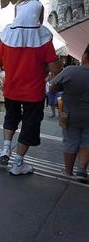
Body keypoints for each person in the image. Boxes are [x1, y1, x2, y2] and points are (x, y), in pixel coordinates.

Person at [0, 0, 62, 175]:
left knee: (10, 118)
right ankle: (18, 163)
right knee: (30, 125)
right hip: (34, 91)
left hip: (12, 87)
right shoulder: (44, 37)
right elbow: (57, 68)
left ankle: (5, 148)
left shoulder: (7, 34)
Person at [51, 44, 89, 181]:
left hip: (71, 114)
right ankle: (81, 171)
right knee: (87, 141)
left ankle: (68, 171)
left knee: (70, 141)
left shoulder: (71, 71)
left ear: (85, 55)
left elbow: (53, 87)